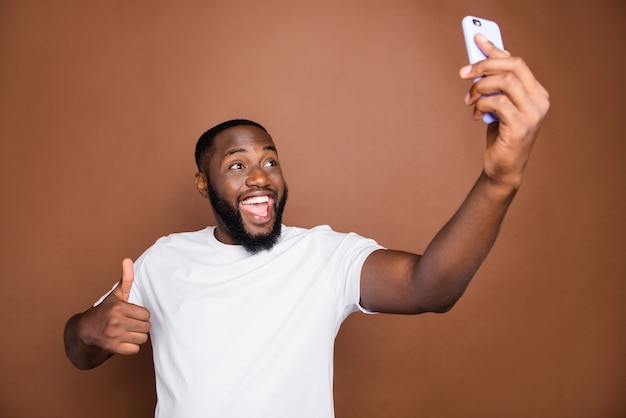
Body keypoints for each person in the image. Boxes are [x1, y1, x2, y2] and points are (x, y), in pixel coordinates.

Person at [63, 34, 549, 418]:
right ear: (201, 183)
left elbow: (429, 288)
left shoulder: (323, 255)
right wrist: (89, 329)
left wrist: (498, 180)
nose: (259, 176)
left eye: (269, 161)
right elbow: (79, 353)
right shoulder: (163, 260)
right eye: (236, 165)